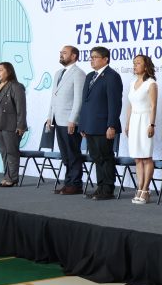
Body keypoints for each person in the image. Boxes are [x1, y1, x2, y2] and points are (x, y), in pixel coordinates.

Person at [79, 46, 123, 200]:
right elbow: (85, 102)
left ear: (105, 59)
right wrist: (83, 125)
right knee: (97, 158)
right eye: (91, 57)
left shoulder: (112, 76)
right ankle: (100, 186)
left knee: (106, 157)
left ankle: (108, 189)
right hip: (90, 125)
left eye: (95, 57)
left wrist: (111, 125)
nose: (92, 60)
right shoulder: (90, 76)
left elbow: (114, 103)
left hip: (104, 126)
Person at [46, 45, 86, 195]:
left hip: (70, 121)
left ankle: (76, 184)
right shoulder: (58, 73)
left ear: (74, 56)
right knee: (65, 154)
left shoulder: (79, 73)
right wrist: (50, 116)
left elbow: (78, 100)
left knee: (73, 153)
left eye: (64, 53)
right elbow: (53, 97)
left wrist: (73, 120)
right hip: (58, 119)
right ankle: (68, 182)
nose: (61, 54)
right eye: (60, 52)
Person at [0, 62, 27, 187]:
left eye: (1, 70)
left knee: (11, 152)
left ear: (9, 71)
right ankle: (6, 177)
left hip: (11, 125)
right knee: (4, 153)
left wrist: (20, 126)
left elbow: (21, 108)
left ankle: (12, 178)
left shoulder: (16, 86)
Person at [125, 54, 158, 204]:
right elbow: (130, 105)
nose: (135, 65)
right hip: (134, 120)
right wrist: (127, 124)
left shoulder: (151, 83)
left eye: (138, 63)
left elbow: (153, 106)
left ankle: (146, 189)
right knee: (138, 157)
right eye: (134, 63)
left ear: (146, 66)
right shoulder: (132, 83)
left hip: (145, 119)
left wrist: (151, 124)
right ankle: (139, 187)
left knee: (146, 156)